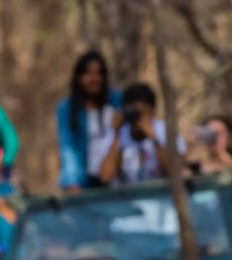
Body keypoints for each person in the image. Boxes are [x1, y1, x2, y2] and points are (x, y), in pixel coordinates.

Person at [56, 50, 122, 192]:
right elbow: (68, 148)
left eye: (99, 73)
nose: (94, 78)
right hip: (84, 181)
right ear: (79, 77)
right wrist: (71, 181)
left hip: (116, 177)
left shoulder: (116, 101)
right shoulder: (67, 108)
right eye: (88, 73)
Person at [98, 82, 184, 186]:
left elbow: (175, 173)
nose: (137, 118)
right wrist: (116, 135)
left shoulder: (164, 132)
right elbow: (105, 177)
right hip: (125, 198)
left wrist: (154, 138)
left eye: (142, 112)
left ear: (152, 110)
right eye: (133, 112)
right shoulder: (116, 134)